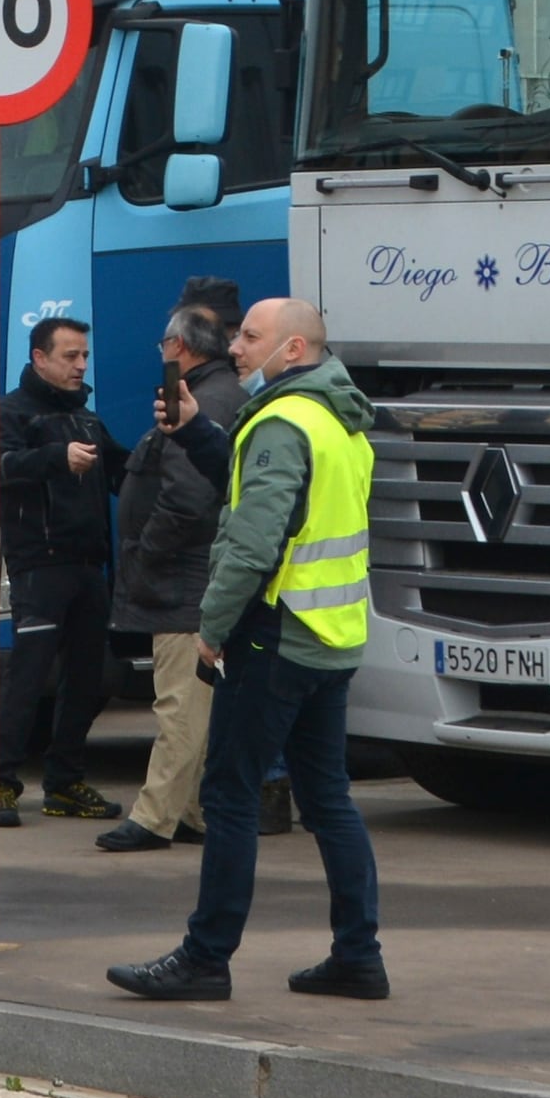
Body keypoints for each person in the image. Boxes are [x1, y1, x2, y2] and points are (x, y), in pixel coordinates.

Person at [108, 292, 386, 1003]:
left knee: (229, 793)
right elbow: (261, 481)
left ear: (293, 349)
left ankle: (207, 957)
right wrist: (201, 431)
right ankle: (359, 954)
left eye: (250, 336)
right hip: (332, 637)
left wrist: (212, 628)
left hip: (275, 634)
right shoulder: (336, 417)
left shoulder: (283, 421)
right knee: (328, 798)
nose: (234, 347)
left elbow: (255, 538)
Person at [97, 299, 245, 853]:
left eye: (164, 347)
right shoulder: (220, 394)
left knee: (179, 703)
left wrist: (146, 552)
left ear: (179, 348)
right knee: (193, 703)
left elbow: (186, 498)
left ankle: (155, 816)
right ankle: (190, 811)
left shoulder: (202, 401)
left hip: (183, 579)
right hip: (192, 576)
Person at [0, 314, 118, 822]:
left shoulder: (86, 418)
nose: (80, 365)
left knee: (88, 678)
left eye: (84, 356)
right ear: (39, 358)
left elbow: (121, 467)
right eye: (70, 356)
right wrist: (55, 457)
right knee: (28, 677)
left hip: (89, 563)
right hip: (39, 566)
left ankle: (65, 782)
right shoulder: (12, 413)